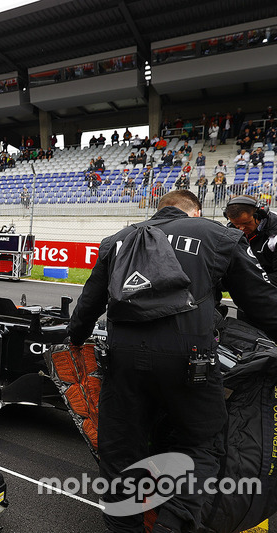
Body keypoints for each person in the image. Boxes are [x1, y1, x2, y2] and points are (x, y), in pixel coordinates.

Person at [68, 190, 277, 533]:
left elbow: (88, 306)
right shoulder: (218, 235)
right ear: (194, 211)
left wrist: (76, 340)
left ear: (159, 210)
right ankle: (173, 523)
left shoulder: (118, 239)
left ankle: (124, 526)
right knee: (200, 442)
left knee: (121, 449)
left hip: (123, 362)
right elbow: (263, 302)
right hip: (191, 362)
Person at [224, 195, 277, 285]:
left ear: (260, 215)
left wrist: (247, 281)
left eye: (246, 223)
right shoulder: (231, 230)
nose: (241, 228)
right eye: (236, 224)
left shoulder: (274, 235)